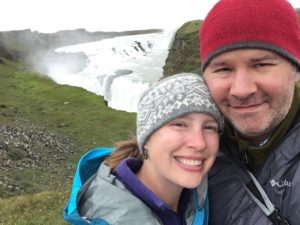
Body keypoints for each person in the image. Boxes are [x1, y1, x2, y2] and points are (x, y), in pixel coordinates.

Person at [63, 73, 223, 225]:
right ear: (146, 139)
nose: (199, 143)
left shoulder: (198, 194)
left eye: (209, 127)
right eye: (179, 124)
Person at [199, 0, 300, 224]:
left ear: (296, 71)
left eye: (261, 64)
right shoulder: (190, 155)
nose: (241, 90)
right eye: (223, 69)